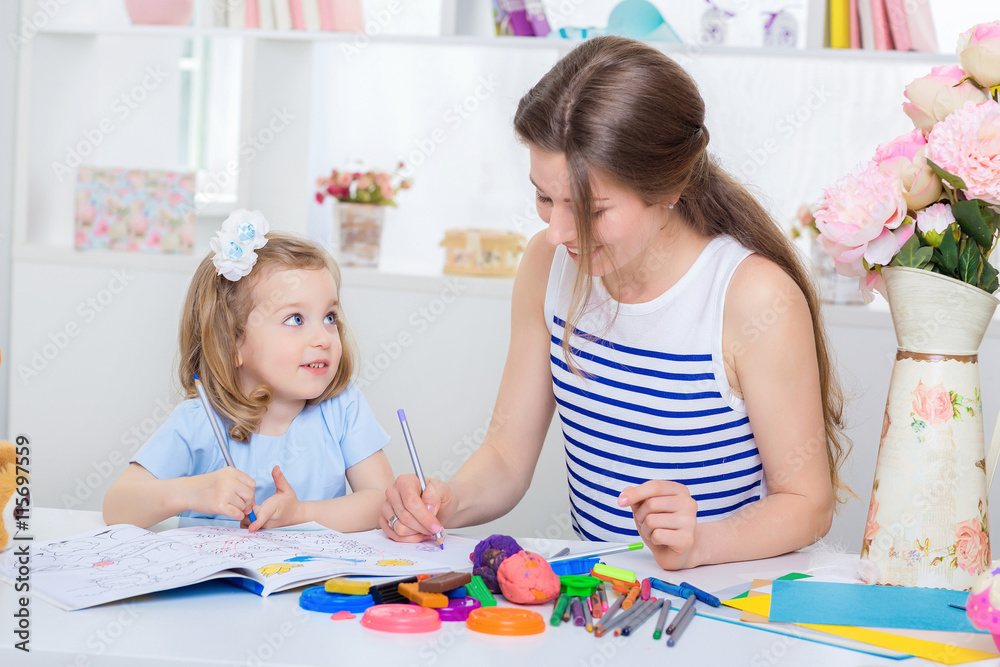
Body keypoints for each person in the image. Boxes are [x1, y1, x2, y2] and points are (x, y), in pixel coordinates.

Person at [381, 36, 850, 570]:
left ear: (670, 185)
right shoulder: (547, 265)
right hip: (597, 604)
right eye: (543, 197)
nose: (558, 231)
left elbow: (808, 504)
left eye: (591, 209)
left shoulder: (750, 297)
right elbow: (507, 456)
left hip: (722, 604)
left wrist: (701, 542)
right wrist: (445, 501)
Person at [104, 210, 393, 532]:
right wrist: (190, 491)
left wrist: (301, 513)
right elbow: (117, 506)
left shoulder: (343, 407)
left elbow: (382, 502)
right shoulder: (199, 421)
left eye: (329, 317)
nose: (323, 338)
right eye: (295, 319)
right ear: (233, 343)